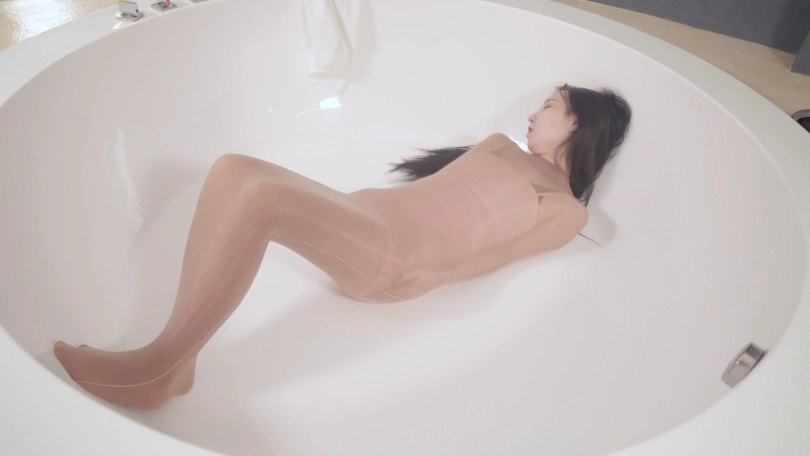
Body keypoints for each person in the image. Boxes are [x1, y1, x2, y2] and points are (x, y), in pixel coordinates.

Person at [53, 83, 632, 410]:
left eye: (548, 107)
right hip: (366, 218)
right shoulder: (497, 144)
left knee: (252, 187)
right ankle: (168, 364)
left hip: (396, 258)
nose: (532, 113)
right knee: (232, 168)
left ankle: (161, 368)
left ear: (578, 124)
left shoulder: (565, 210)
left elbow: (489, 258)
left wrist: (432, 276)